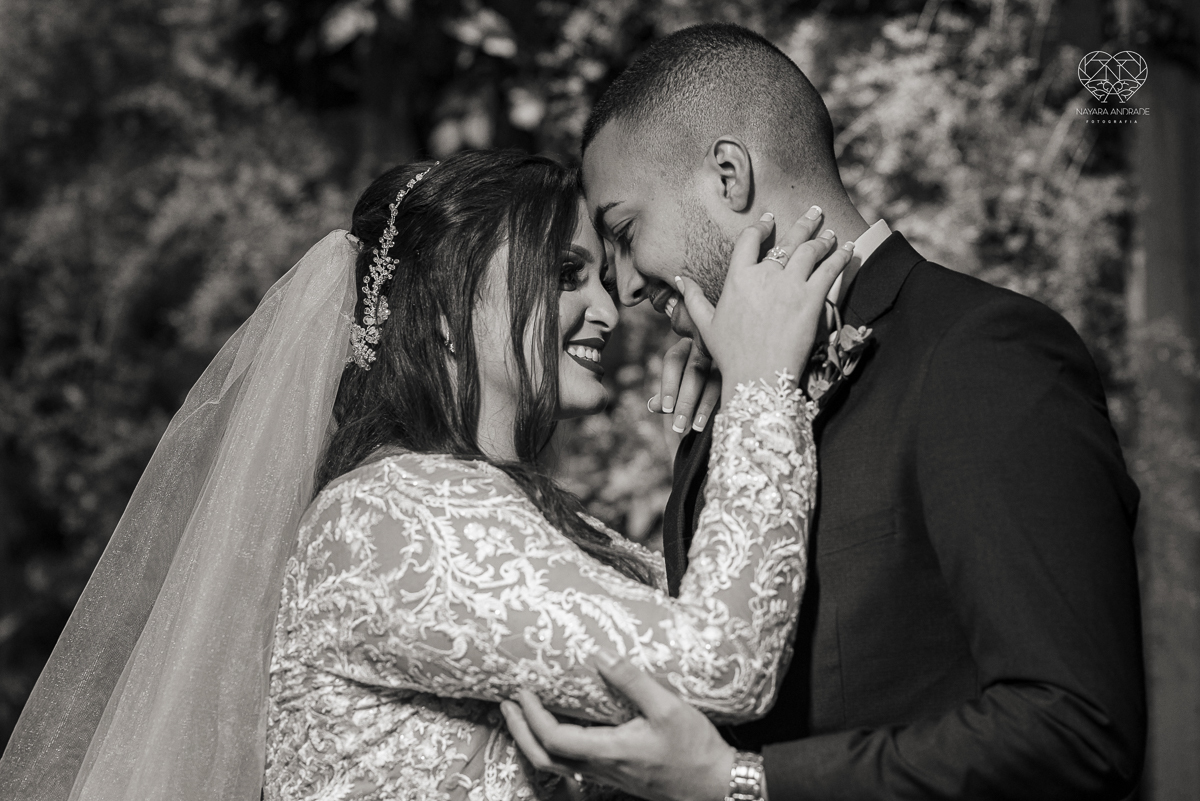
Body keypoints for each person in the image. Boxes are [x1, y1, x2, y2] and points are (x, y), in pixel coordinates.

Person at [0, 149, 850, 800]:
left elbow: (730, 603)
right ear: (446, 309)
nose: (606, 310)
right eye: (562, 276)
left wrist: (726, 421)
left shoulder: (505, 511)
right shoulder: (389, 519)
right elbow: (725, 660)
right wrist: (759, 383)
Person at [502, 23, 1146, 801]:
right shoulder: (736, 391)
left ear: (730, 175)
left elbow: (1077, 726)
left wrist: (741, 783)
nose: (628, 288)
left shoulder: (979, 354)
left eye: (625, 232)